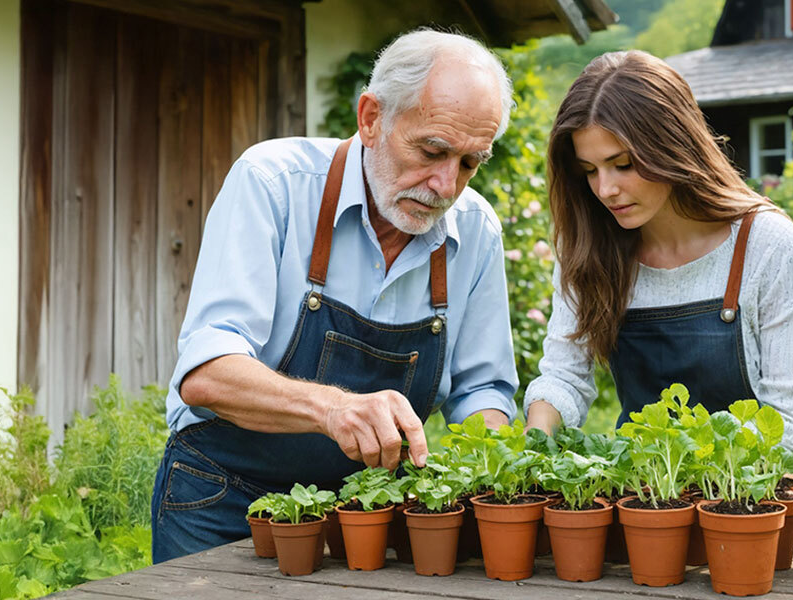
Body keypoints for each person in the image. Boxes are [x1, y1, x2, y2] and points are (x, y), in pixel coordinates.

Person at [150, 29, 519, 563]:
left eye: (469, 163)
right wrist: (332, 408)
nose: (445, 185)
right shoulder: (272, 184)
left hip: (368, 515)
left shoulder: (476, 229)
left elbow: (482, 389)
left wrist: (490, 460)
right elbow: (206, 373)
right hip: (225, 500)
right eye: (432, 150)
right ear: (371, 119)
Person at [523, 51, 793, 454]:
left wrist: (689, 470)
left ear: (671, 146)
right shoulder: (591, 247)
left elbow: (790, 421)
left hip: (747, 500)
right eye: (590, 171)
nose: (605, 189)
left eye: (623, 164)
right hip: (642, 498)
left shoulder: (769, 246)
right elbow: (564, 376)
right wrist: (535, 440)